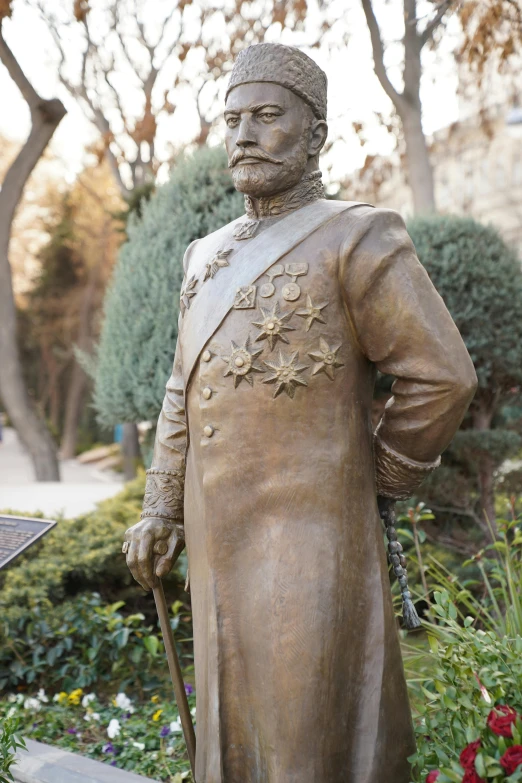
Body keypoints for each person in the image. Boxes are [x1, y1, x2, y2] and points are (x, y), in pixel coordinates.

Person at [124, 43, 477, 783]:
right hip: (220, 542)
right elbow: (179, 386)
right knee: (235, 737)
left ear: (314, 133)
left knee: (308, 739)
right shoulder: (203, 255)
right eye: (233, 120)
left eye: (266, 117)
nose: (244, 135)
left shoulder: (358, 235)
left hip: (311, 540)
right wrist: (161, 507)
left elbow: (440, 376)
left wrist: (373, 474)